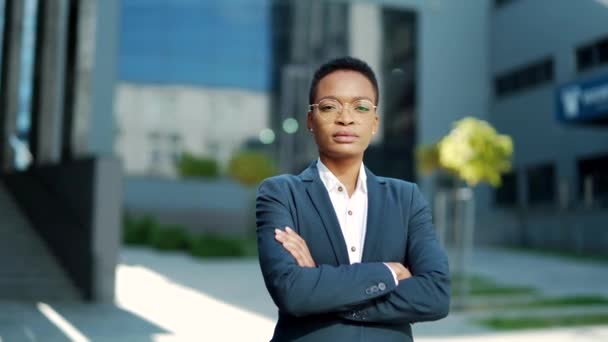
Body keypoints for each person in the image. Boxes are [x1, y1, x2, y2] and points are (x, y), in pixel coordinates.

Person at [256, 56, 450, 342]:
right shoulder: (281, 194)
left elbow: (435, 295)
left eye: (360, 107)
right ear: (311, 120)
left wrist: (322, 289)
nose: (345, 118)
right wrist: (388, 272)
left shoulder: (406, 198)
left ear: (374, 122)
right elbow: (293, 293)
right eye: (329, 107)